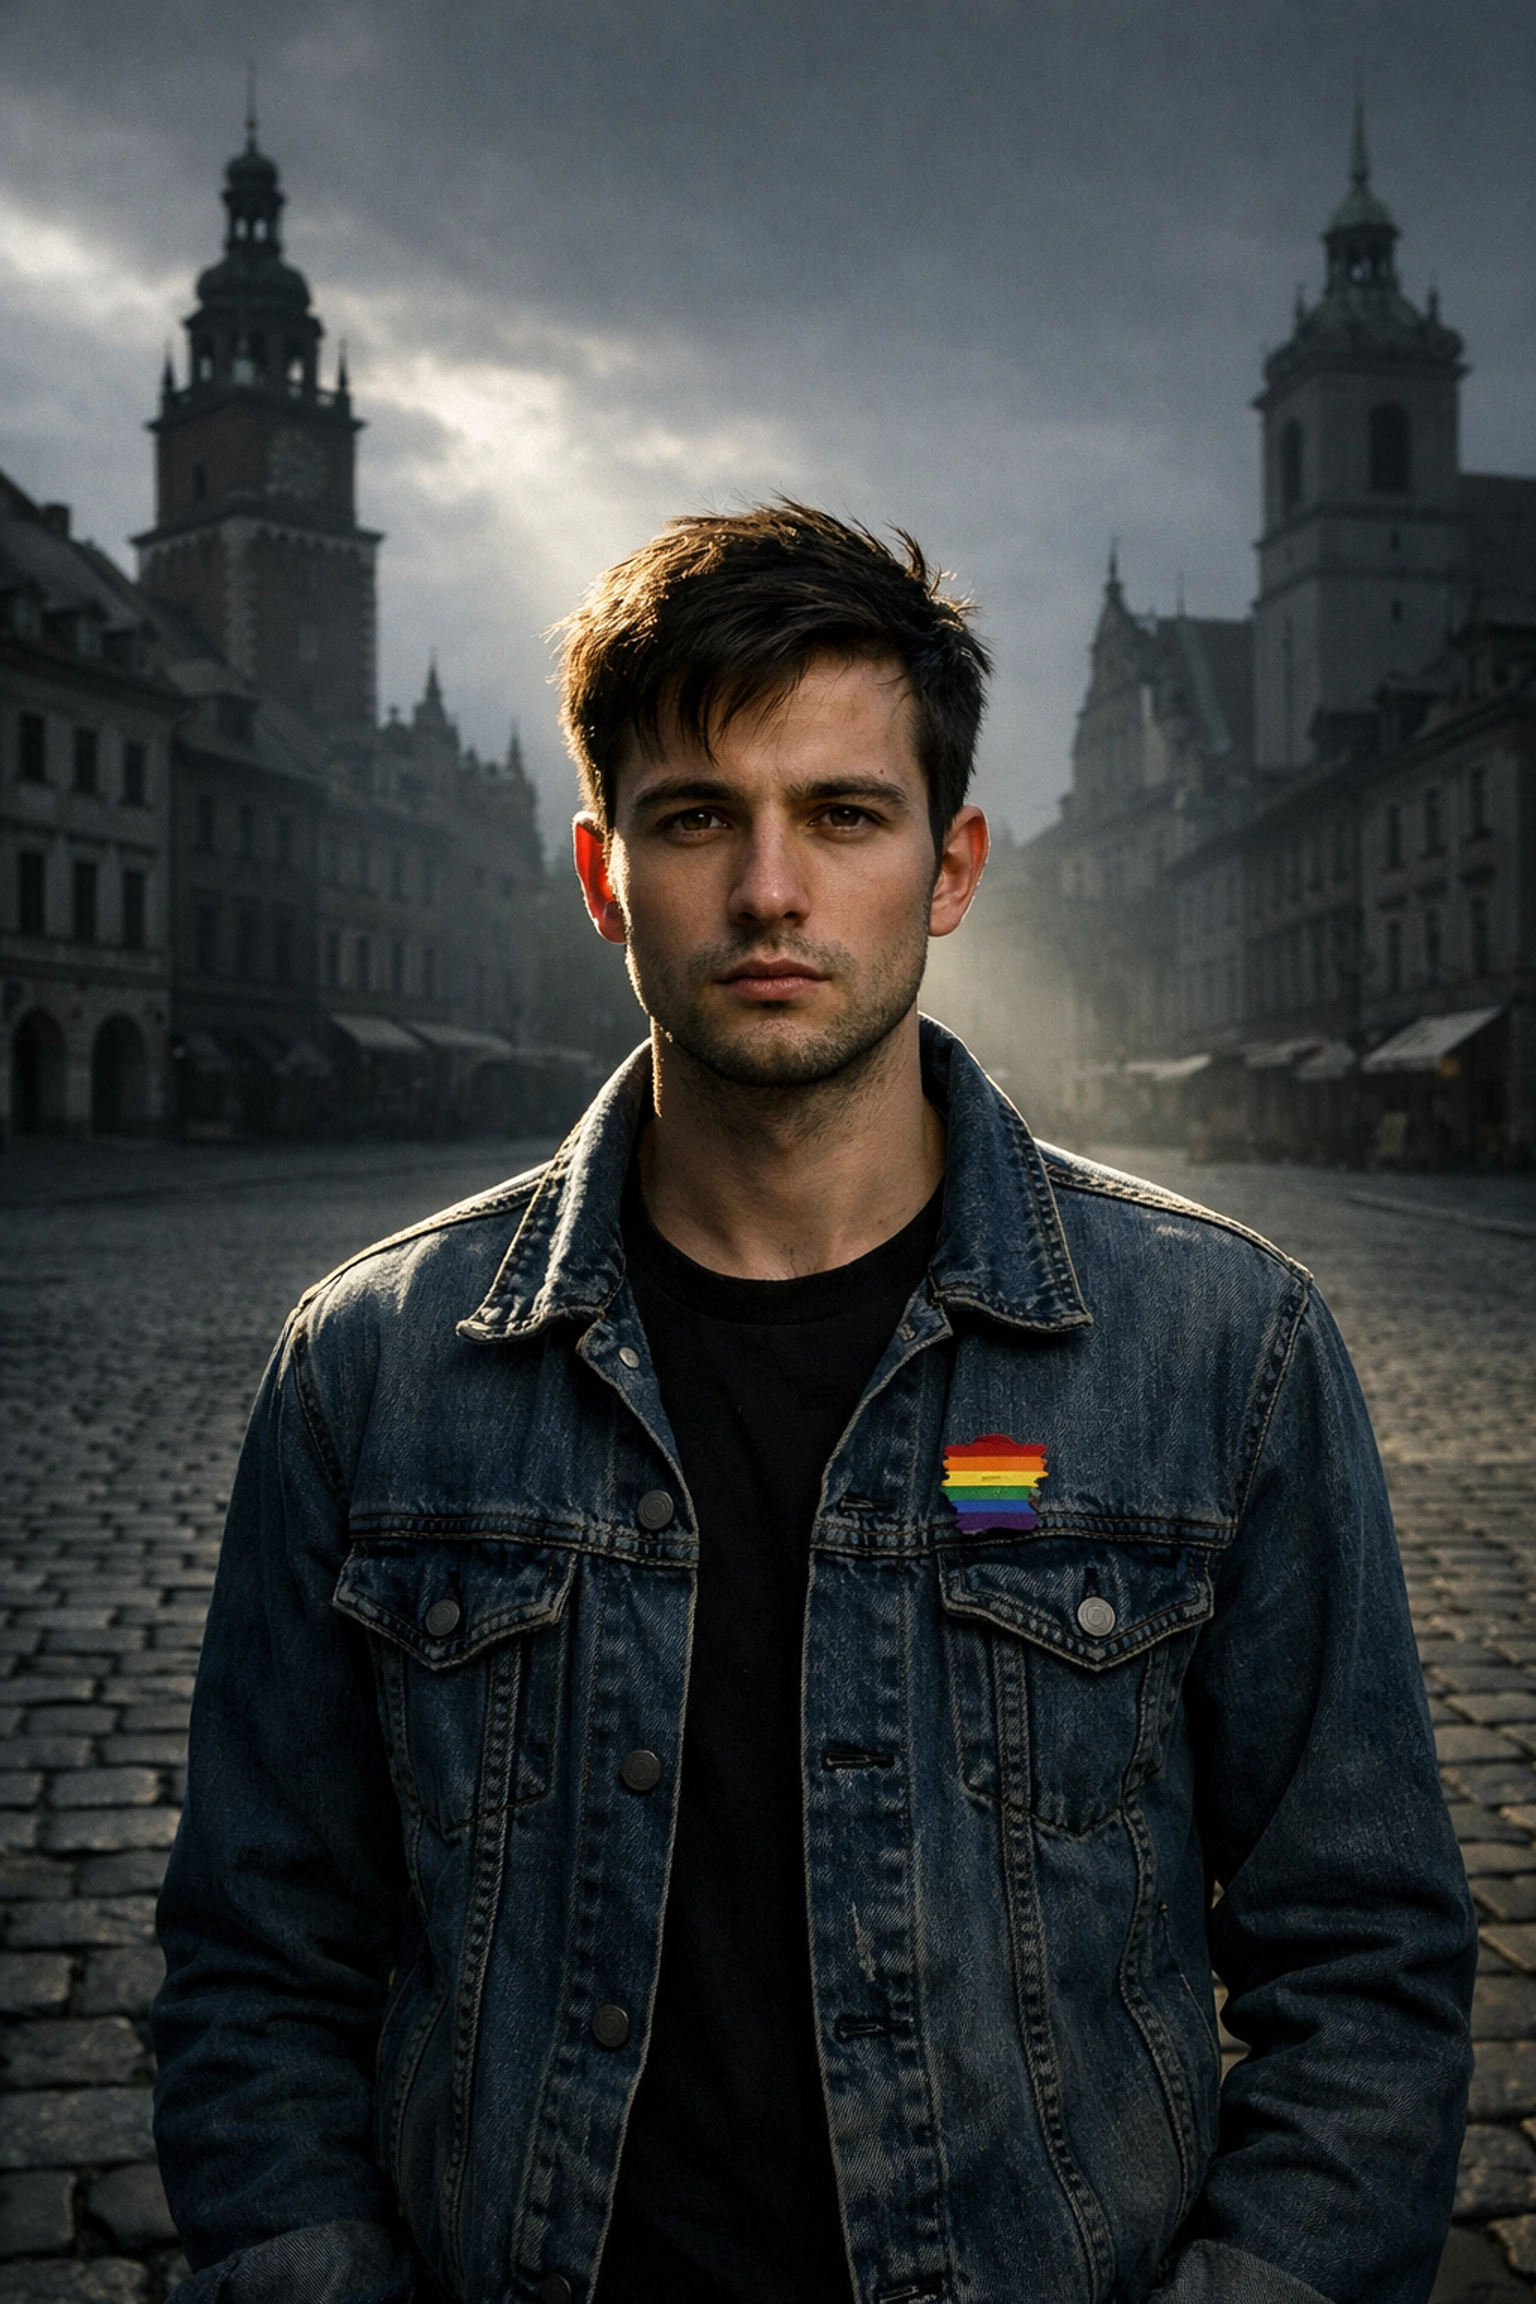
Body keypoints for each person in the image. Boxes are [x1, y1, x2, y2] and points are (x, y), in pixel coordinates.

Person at [153, 504, 1475, 2304]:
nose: (770, 891)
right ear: (605, 871)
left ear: (950, 866)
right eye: (698, 817)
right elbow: (257, 1960)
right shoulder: (376, 1362)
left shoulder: (1221, 1345)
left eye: (843, 814)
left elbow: (1369, 1963)